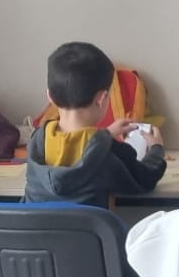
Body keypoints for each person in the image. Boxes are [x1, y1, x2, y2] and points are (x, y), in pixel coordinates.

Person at [24, 43, 167, 206]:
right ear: (102, 98)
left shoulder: (37, 141)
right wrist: (156, 149)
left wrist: (105, 134)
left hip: (36, 223)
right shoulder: (108, 152)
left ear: (50, 96)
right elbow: (145, 179)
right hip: (88, 225)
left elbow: (76, 145)